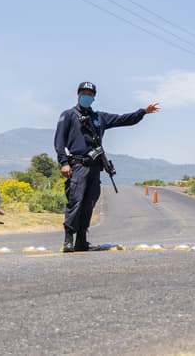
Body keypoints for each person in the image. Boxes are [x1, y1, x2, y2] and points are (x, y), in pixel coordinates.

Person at [54, 81, 160, 252]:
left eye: (90, 94)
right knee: (76, 201)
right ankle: (68, 239)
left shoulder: (99, 118)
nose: (86, 96)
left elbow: (123, 119)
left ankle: (81, 240)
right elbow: (59, 141)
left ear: (94, 97)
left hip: (95, 167)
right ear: (77, 95)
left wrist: (143, 112)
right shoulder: (67, 115)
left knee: (89, 203)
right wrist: (64, 163)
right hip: (77, 165)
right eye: (83, 93)